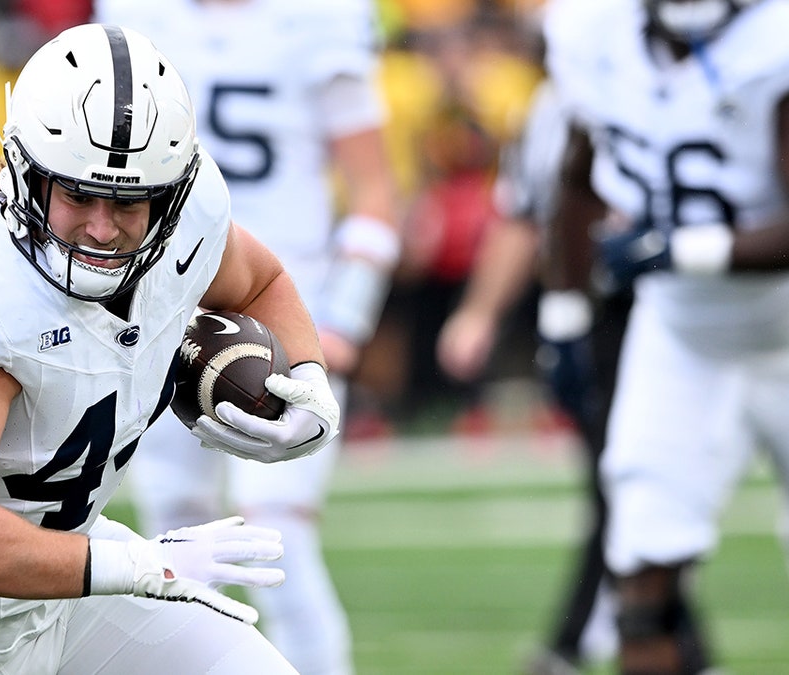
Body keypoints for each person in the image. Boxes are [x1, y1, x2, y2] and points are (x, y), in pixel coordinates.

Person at [0, 22, 344, 674]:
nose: (102, 225)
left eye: (130, 201)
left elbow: (261, 280)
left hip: (65, 584)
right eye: (77, 193)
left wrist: (308, 380)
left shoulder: (190, 216)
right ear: (27, 175)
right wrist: (142, 564)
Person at [90, 2, 399, 673]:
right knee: (176, 542)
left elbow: (375, 192)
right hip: (160, 305)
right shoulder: (136, 13)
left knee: (277, 534)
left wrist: (341, 322)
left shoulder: (319, 19)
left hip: (280, 313)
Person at [542, 0, 789, 671]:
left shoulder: (776, 42)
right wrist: (564, 312)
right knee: (642, 578)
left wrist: (685, 249)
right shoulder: (595, 34)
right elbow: (579, 173)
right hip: (684, 335)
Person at [436, 80, 628, 674]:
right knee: (626, 487)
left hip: (679, 314)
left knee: (637, 488)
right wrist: (478, 313)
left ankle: (579, 643)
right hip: (586, 316)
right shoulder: (550, 106)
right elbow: (521, 218)